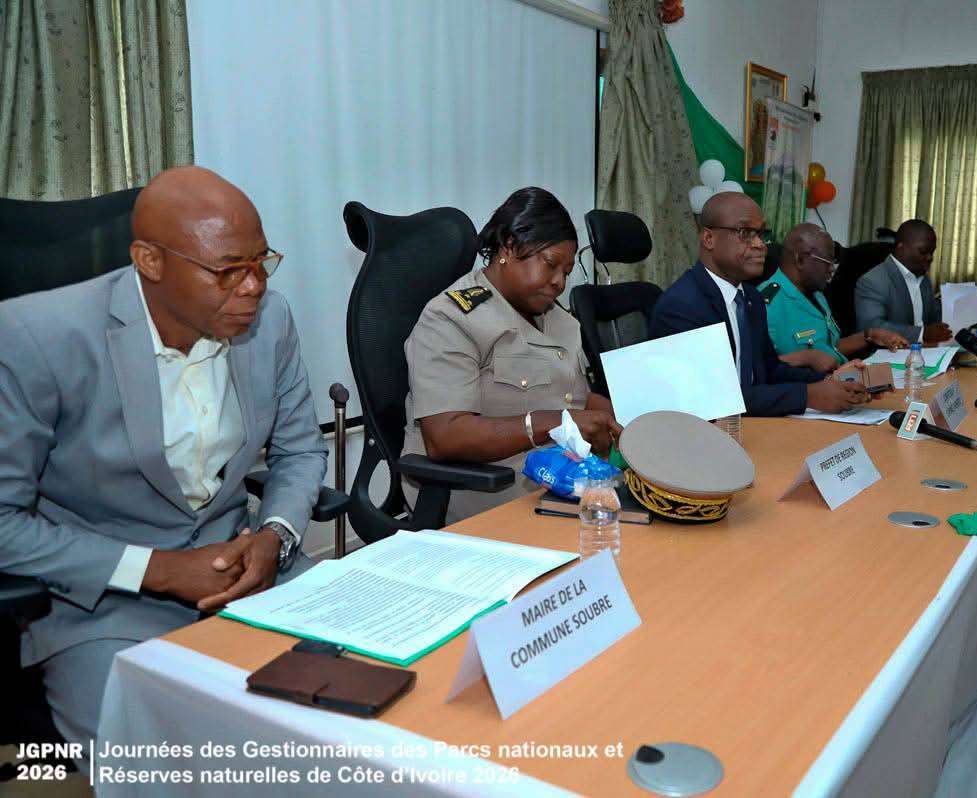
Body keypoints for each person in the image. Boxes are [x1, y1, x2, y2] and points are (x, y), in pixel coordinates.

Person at [0, 166, 327, 756]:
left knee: (382, 696)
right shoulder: (37, 337)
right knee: (165, 762)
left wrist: (275, 536)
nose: (253, 286)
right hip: (106, 605)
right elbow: (3, 522)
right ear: (150, 262)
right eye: (228, 270)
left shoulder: (270, 321)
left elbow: (300, 449)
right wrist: (160, 570)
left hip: (250, 574)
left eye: (261, 263)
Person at [403, 187, 621, 522]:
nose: (559, 283)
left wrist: (624, 416)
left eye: (566, 272)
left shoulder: (561, 321)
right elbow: (445, 436)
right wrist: (555, 423)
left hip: (563, 481)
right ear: (508, 247)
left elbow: (572, 396)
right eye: (550, 264)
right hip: (488, 493)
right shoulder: (450, 318)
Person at [648, 192, 870, 415]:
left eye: (762, 234)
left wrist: (830, 381)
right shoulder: (682, 306)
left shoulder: (751, 298)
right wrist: (808, 395)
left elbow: (769, 370)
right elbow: (711, 397)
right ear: (708, 238)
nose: (760, 245)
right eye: (745, 233)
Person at [762, 223, 909, 368]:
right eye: (827, 262)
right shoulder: (764, 306)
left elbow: (829, 348)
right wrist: (807, 358)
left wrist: (870, 335)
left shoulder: (816, 294)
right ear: (800, 259)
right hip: (812, 383)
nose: (832, 269)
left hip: (840, 377)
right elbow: (759, 369)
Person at [854, 219, 951, 345]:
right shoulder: (872, 281)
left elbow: (933, 317)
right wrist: (922, 334)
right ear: (901, 248)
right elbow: (871, 327)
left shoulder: (923, 278)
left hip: (925, 351)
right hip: (890, 354)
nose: (930, 257)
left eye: (932, 252)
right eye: (923, 251)